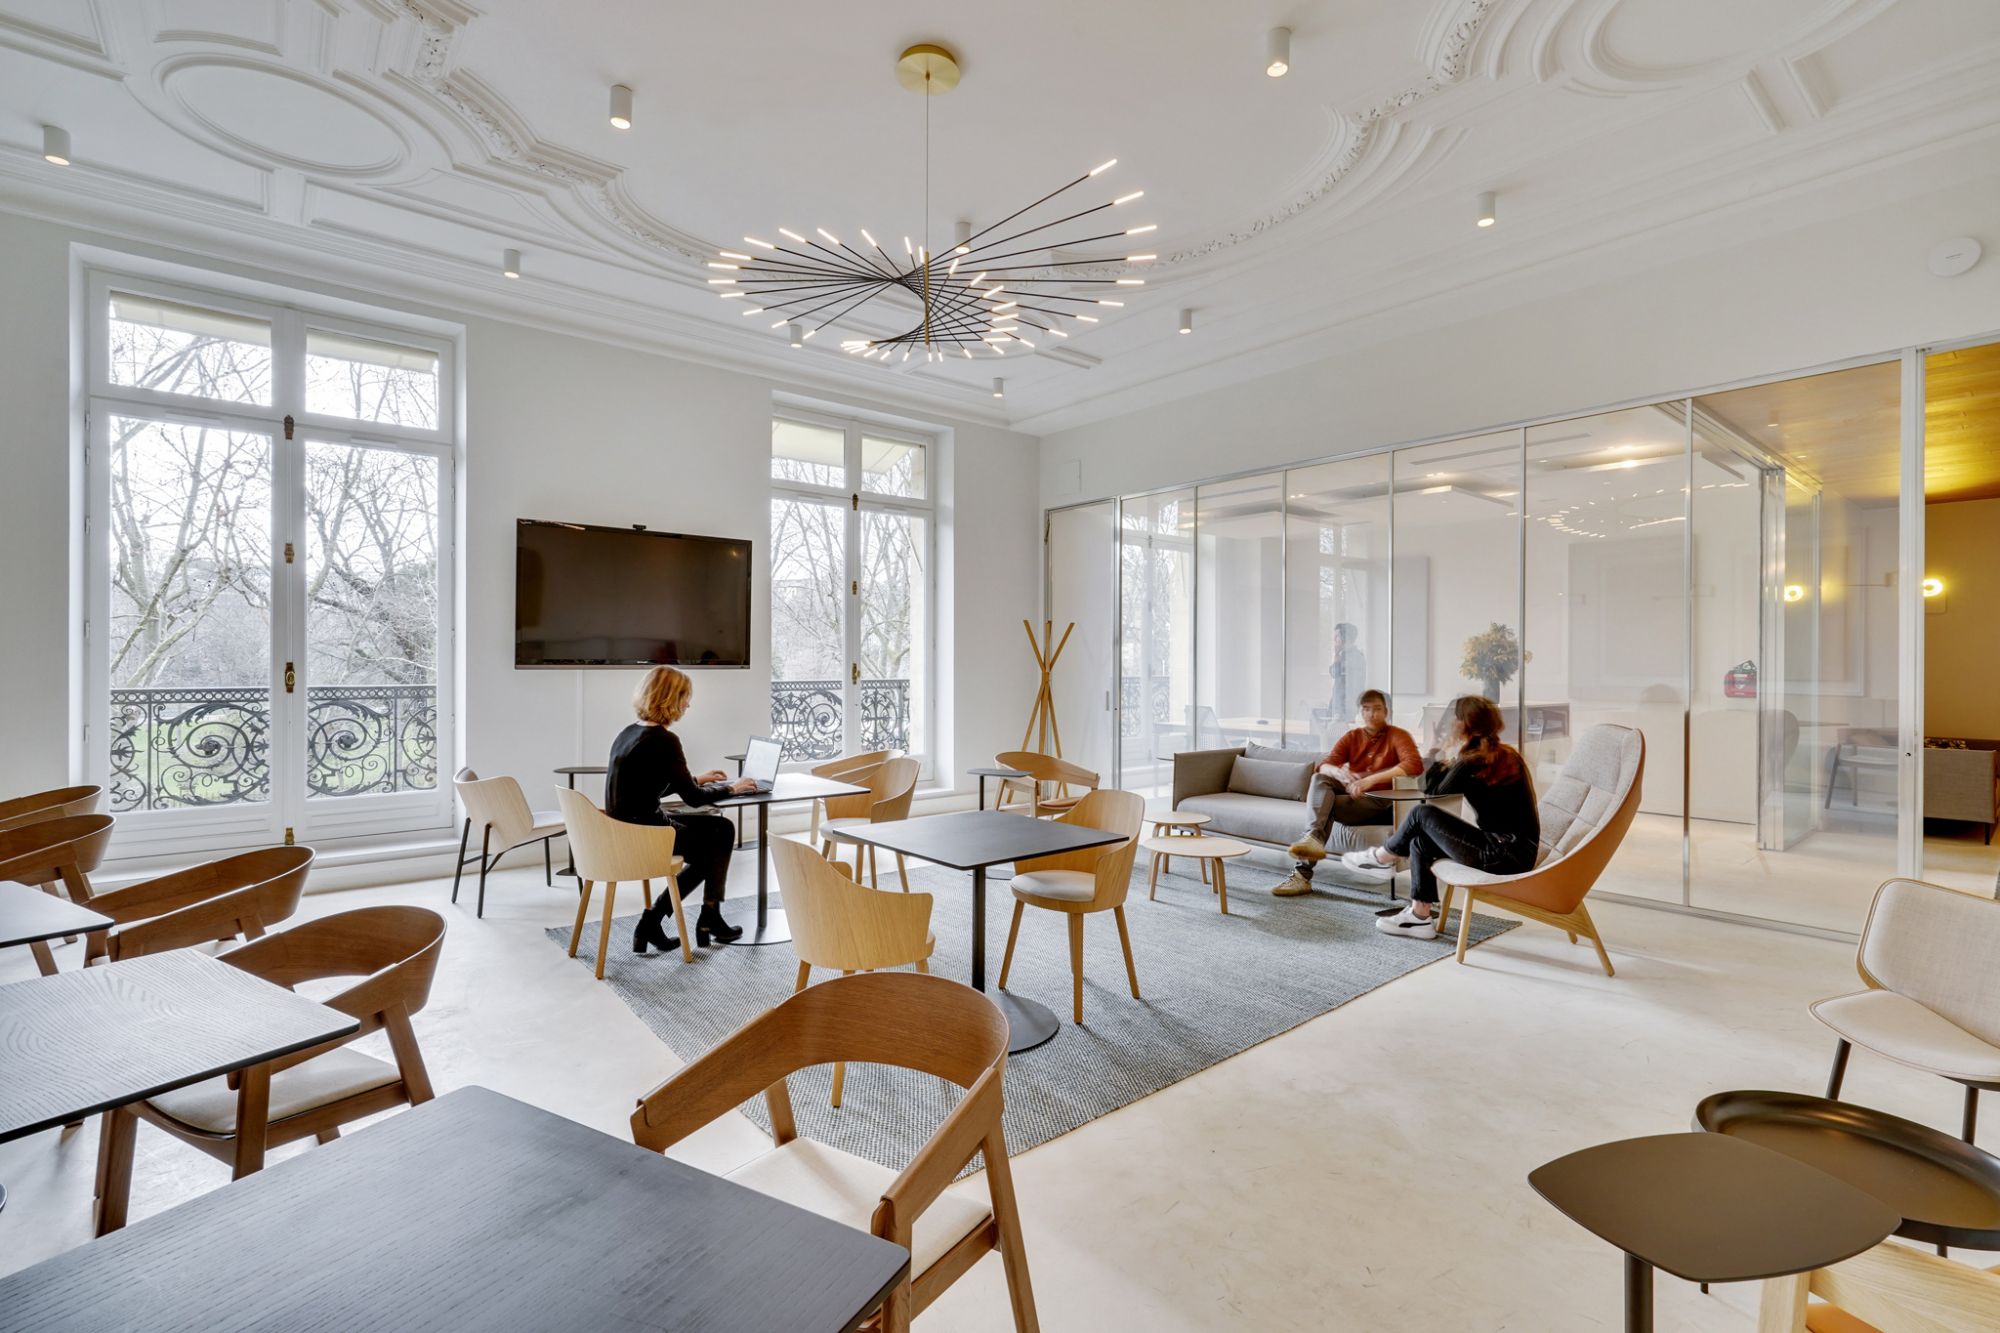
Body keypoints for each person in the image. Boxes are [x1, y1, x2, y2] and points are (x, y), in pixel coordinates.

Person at [1341, 695, 1540, 941]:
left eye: (1454, 718)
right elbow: (1435, 789)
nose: (1450, 723)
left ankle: (1382, 857)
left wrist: (1436, 747)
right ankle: (1420, 916)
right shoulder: (1502, 755)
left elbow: (1431, 792)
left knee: (1421, 814)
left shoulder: (1473, 761)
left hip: (1503, 854)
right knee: (1420, 840)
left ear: (1465, 723)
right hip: (1512, 852)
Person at [605, 666, 758, 954]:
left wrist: (696, 779)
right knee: (711, 851)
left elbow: (645, 787)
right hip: (645, 834)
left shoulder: (629, 733)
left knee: (722, 828)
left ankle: (703, 918)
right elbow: (695, 799)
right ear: (671, 698)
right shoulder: (664, 740)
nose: (688, 704)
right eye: (686, 697)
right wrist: (733, 788)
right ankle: (665, 920)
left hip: (624, 829)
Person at [1275, 689, 1421, 896]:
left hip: (1383, 804)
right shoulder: (1353, 736)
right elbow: (1324, 765)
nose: (1371, 714)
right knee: (1320, 778)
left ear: (1386, 711)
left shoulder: (1398, 736)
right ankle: (1311, 839)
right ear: (1360, 712)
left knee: (1326, 805)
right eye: (1366, 709)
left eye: (1377, 709)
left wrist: (1370, 780)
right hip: (1357, 798)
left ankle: (1301, 875)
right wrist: (1338, 773)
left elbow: (1413, 764)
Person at [1325, 623, 1366, 735]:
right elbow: (1334, 672)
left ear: (1345, 637)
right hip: (1339, 710)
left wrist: (1336, 655)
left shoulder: (1353, 657)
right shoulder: (1345, 655)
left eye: (1337, 636)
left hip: (1345, 712)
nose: (1334, 639)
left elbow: (1335, 672)